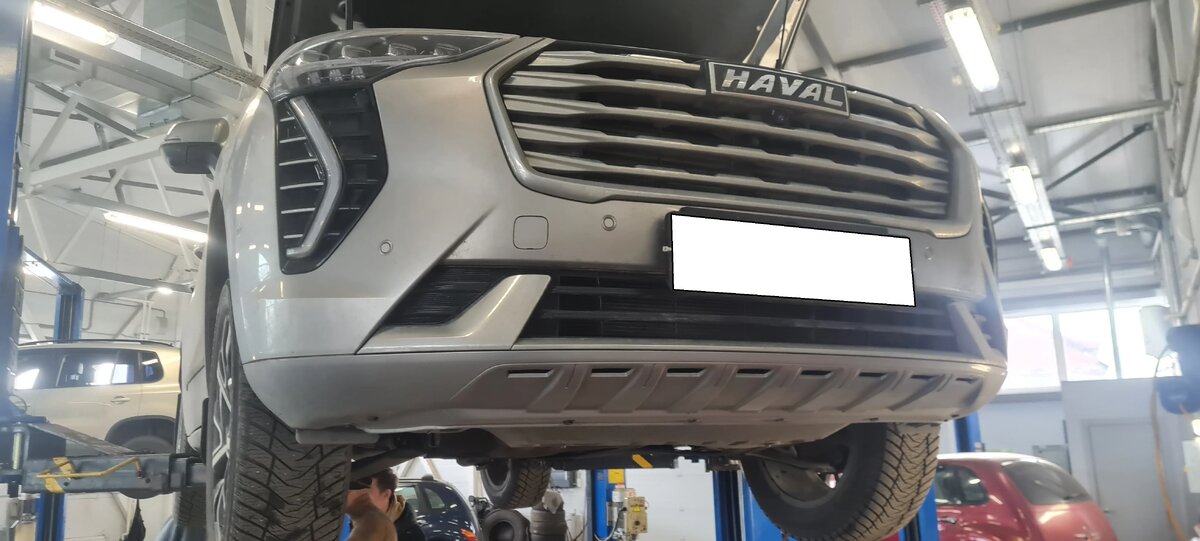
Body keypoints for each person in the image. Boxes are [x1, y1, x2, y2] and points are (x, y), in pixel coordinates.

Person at [346, 468, 426, 541]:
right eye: (353, 490)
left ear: (386, 494)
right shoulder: (356, 519)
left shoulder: (412, 536)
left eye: (365, 493)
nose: (356, 496)